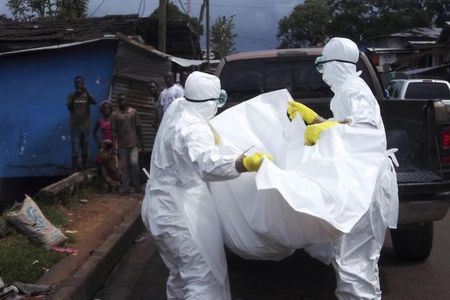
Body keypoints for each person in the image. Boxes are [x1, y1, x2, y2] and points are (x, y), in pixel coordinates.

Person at [141, 71, 272, 299]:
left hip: (158, 207)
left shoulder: (177, 108)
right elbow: (208, 164)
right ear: (211, 102)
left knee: (180, 276)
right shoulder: (193, 128)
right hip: (179, 212)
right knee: (202, 279)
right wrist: (243, 163)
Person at [288, 37, 398, 300]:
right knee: (351, 262)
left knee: (355, 266)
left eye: (322, 65)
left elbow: (364, 130)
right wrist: (317, 119)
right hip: (358, 181)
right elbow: (348, 126)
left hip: (365, 185)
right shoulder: (348, 91)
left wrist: (325, 129)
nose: (322, 73)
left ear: (336, 65)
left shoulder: (353, 91)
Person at [111, 93, 144, 196]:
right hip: (122, 145)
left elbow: (139, 128)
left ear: (126, 101)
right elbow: (114, 132)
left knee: (134, 165)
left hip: (133, 143)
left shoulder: (133, 112)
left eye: (124, 100)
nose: (122, 102)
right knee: (124, 167)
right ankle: (126, 188)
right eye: (120, 101)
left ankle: (137, 186)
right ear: (117, 102)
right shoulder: (115, 115)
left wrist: (142, 143)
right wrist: (114, 145)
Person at [66, 75, 96, 172]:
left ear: (83, 84)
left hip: (86, 127)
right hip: (75, 127)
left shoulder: (87, 95)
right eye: (77, 83)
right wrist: (75, 95)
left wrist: (86, 91)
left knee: (85, 149)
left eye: (80, 83)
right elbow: (69, 107)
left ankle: (84, 168)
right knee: (75, 151)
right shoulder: (71, 95)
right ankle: (75, 170)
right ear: (74, 84)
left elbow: (94, 102)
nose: (79, 84)